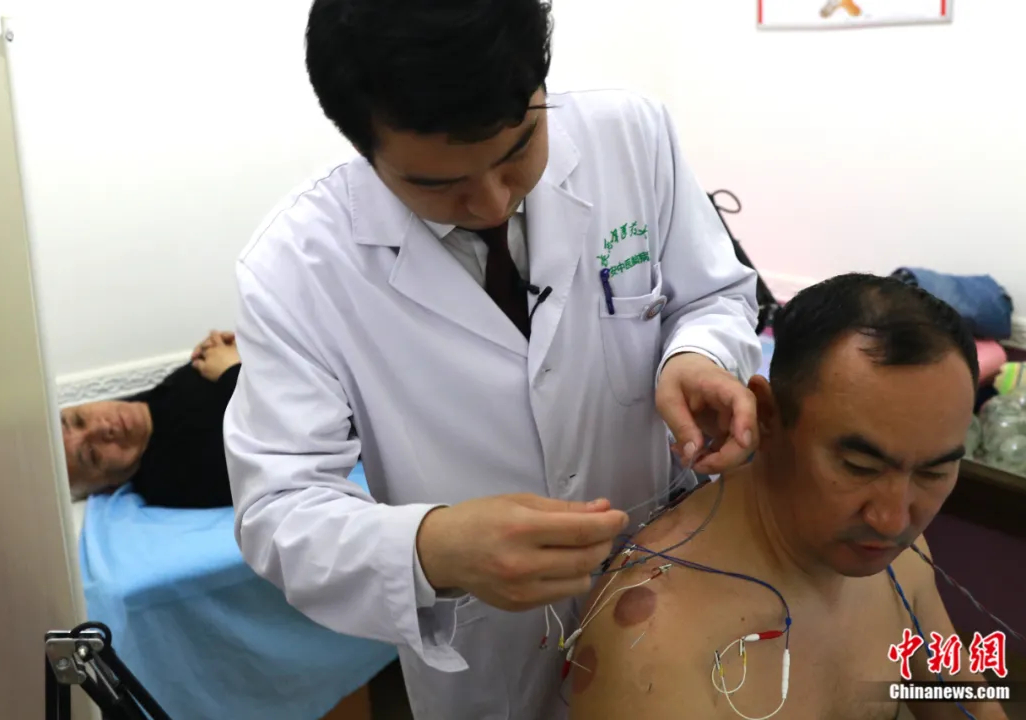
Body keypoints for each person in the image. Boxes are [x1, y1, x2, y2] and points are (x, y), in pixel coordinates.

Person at [223, 1, 764, 717]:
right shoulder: (296, 266)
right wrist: (432, 548)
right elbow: (278, 509)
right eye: (436, 184)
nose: (489, 201)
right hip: (492, 661)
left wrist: (697, 355)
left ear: (540, 83)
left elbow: (716, 295)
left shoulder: (631, 136)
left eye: (517, 153)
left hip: (671, 594)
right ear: (364, 148)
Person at [569, 274, 1008, 720]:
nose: (894, 520)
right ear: (766, 416)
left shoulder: (900, 561)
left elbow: (966, 703)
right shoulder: (656, 641)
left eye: (933, 472)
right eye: (859, 467)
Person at [63, 331, 241, 509]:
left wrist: (222, 347)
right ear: (109, 487)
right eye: (92, 454)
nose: (102, 427)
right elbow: (257, 451)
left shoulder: (152, 405)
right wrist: (232, 370)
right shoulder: (174, 478)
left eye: (79, 419)